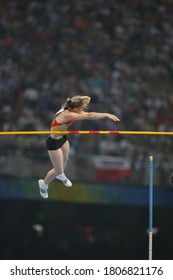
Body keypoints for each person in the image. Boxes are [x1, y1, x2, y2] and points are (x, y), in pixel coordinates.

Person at [38, 95, 120, 199]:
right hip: (53, 142)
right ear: (75, 108)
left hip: (62, 138)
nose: (82, 110)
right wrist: (106, 114)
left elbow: (88, 113)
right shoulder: (67, 114)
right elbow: (88, 116)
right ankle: (44, 184)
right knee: (58, 170)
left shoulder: (72, 109)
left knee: (66, 159)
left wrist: (104, 113)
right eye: (81, 108)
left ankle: (60, 174)